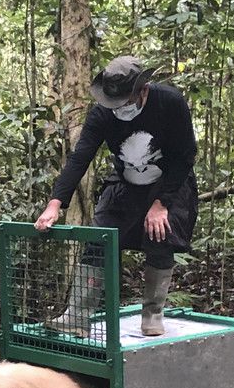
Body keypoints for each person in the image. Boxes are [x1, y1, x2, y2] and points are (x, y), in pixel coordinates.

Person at [35, 55, 199, 336]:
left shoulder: (169, 102)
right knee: (99, 238)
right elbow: (81, 157)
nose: (120, 109)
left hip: (169, 183)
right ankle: (76, 316)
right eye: (115, 104)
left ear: (143, 90)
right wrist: (55, 203)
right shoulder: (102, 114)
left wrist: (161, 203)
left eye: (125, 102)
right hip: (126, 182)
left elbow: (186, 155)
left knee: (160, 234)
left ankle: (152, 315)